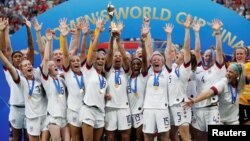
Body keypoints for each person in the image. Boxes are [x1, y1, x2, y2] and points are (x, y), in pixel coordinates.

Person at [0, 45, 48, 141]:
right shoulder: (20, 80)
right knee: (15, 138)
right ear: (21, 69)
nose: (28, 66)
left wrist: (49, 41)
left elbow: (45, 59)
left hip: (35, 114)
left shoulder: (38, 77)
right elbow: (8, 65)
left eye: (29, 64)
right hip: (19, 111)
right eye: (25, 65)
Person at [0, 17, 35, 141]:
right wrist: (4, 32)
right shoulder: (10, 71)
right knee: (15, 139)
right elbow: (6, 50)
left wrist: (28, 29)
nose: (19, 58)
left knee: (28, 138)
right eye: (16, 57)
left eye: (21, 56)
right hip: (16, 109)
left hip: (30, 109)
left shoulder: (27, 70)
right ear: (12, 60)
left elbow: (31, 47)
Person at [191, 19, 226, 141]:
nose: (207, 57)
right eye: (205, 55)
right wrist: (196, 33)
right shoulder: (199, 68)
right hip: (198, 108)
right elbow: (196, 51)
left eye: (209, 55)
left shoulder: (218, 68)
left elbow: (219, 50)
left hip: (213, 108)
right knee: (199, 137)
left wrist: (217, 32)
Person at [79, 17, 108, 141]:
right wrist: (98, 32)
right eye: (98, 59)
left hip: (100, 112)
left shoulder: (104, 79)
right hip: (88, 110)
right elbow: (93, 51)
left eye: (102, 59)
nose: (100, 60)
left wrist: (107, 95)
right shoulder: (88, 70)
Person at [40, 28, 70, 141]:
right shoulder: (46, 79)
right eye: (51, 65)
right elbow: (46, 58)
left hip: (65, 116)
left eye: (55, 65)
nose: (55, 66)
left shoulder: (62, 77)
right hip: (53, 116)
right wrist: (49, 41)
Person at [104, 21, 131, 141]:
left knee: (125, 135)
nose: (118, 57)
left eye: (119, 56)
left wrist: (118, 40)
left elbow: (125, 57)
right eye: (116, 56)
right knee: (110, 136)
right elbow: (110, 53)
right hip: (110, 107)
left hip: (124, 107)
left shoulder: (125, 70)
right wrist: (111, 38)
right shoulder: (108, 70)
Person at [168, 15, 192, 141]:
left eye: (181, 53)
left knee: (185, 135)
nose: (179, 54)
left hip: (180, 104)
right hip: (170, 104)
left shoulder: (185, 68)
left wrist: (187, 29)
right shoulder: (171, 67)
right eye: (179, 52)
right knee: (172, 135)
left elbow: (187, 48)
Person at [59, 18, 85, 141]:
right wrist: (63, 38)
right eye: (73, 61)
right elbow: (65, 54)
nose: (75, 62)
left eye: (77, 60)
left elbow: (80, 50)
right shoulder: (68, 72)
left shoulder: (86, 73)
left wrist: (78, 33)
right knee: (75, 137)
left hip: (86, 109)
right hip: (73, 110)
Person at [127, 24, 149, 141]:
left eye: (138, 64)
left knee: (140, 138)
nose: (136, 66)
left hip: (140, 113)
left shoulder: (143, 75)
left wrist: (143, 43)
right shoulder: (126, 78)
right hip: (127, 112)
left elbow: (144, 59)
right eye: (134, 64)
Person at [232, 46, 250, 125]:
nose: (239, 56)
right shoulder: (231, 66)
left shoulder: (249, 65)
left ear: (246, 55)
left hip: (246, 102)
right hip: (234, 103)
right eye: (237, 54)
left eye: (241, 54)